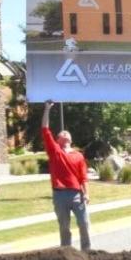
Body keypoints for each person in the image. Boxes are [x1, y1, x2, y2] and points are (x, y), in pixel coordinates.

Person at [42, 100, 91, 250]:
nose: (64, 133)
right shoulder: (55, 152)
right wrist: (47, 109)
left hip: (77, 195)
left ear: (71, 139)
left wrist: (86, 194)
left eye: (66, 133)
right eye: (60, 134)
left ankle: (87, 251)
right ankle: (67, 253)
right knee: (64, 227)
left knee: (84, 223)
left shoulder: (78, 156)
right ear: (57, 140)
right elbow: (45, 128)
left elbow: (83, 178)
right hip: (60, 195)